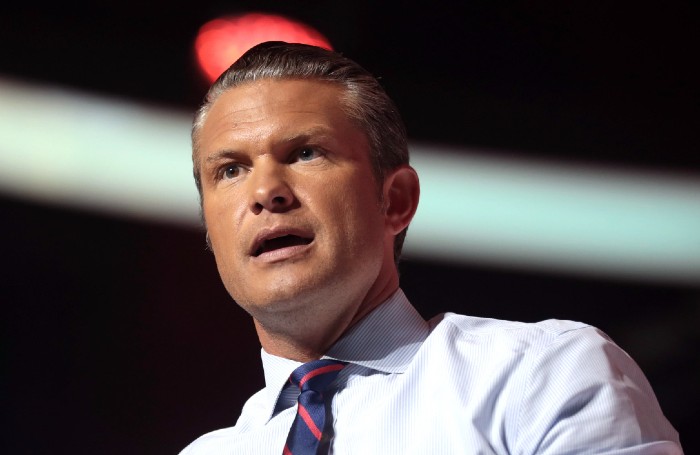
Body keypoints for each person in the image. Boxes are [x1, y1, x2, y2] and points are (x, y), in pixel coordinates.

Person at [179, 41, 682, 454]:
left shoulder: (540, 375)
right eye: (230, 170)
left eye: (306, 153)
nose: (265, 192)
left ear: (395, 200)